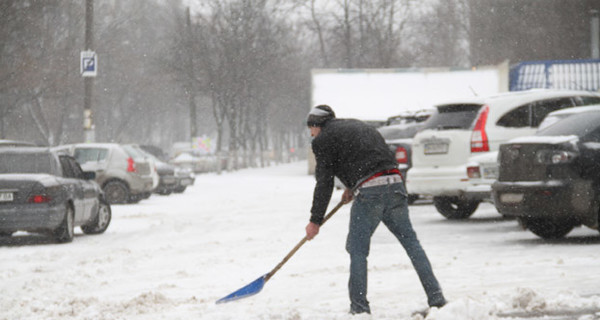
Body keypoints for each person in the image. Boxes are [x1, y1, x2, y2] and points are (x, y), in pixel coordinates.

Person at [304, 104, 446, 315]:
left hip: (371, 192)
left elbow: (324, 181)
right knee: (411, 244)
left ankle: (359, 309)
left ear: (317, 125)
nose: (312, 134)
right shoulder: (359, 126)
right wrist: (352, 186)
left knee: (357, 249)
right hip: (396, 184)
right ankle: (437, 298)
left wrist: (315, 220)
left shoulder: (322, 140)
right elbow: (367, 157)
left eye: (311, 129)